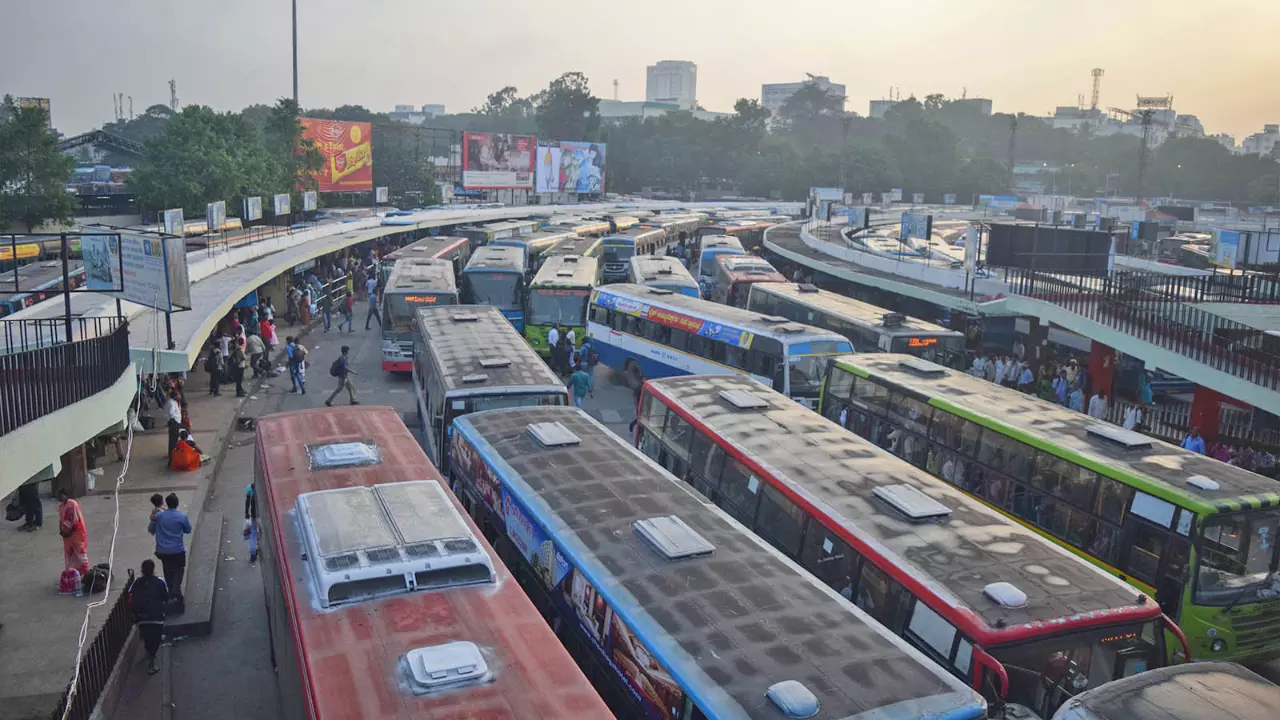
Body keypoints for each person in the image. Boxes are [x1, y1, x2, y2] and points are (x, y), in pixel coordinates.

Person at [128, 559, 169, 675]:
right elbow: (165, 597)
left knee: (147, 638)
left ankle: (149, 654)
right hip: (156, 617)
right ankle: (151, 663)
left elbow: (130, 598)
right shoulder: (159, 581)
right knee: (155, 640)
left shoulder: (136, 583)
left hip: (141, 618)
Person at [149, 493, 192, 603]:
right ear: (177, 504)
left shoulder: (160, 516)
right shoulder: (181, 516)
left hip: (163, 550)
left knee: (167, 570)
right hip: (178, 549)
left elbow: (151, 527)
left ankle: (171, 590)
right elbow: (188, 530)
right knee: (179, 569)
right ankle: (176, 589)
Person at [58, 488, 89, 577]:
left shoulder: (72, 504)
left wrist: (70, 532)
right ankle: (73, 573)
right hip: (66, 535)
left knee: (80, 553)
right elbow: (61, 520)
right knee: (70, 554)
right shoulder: (61, 506)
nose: (59, 497)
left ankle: (85, 572)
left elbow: (76, 520)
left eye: (60, 495)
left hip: (76, 533)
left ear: (65, 495)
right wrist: (61, 530)